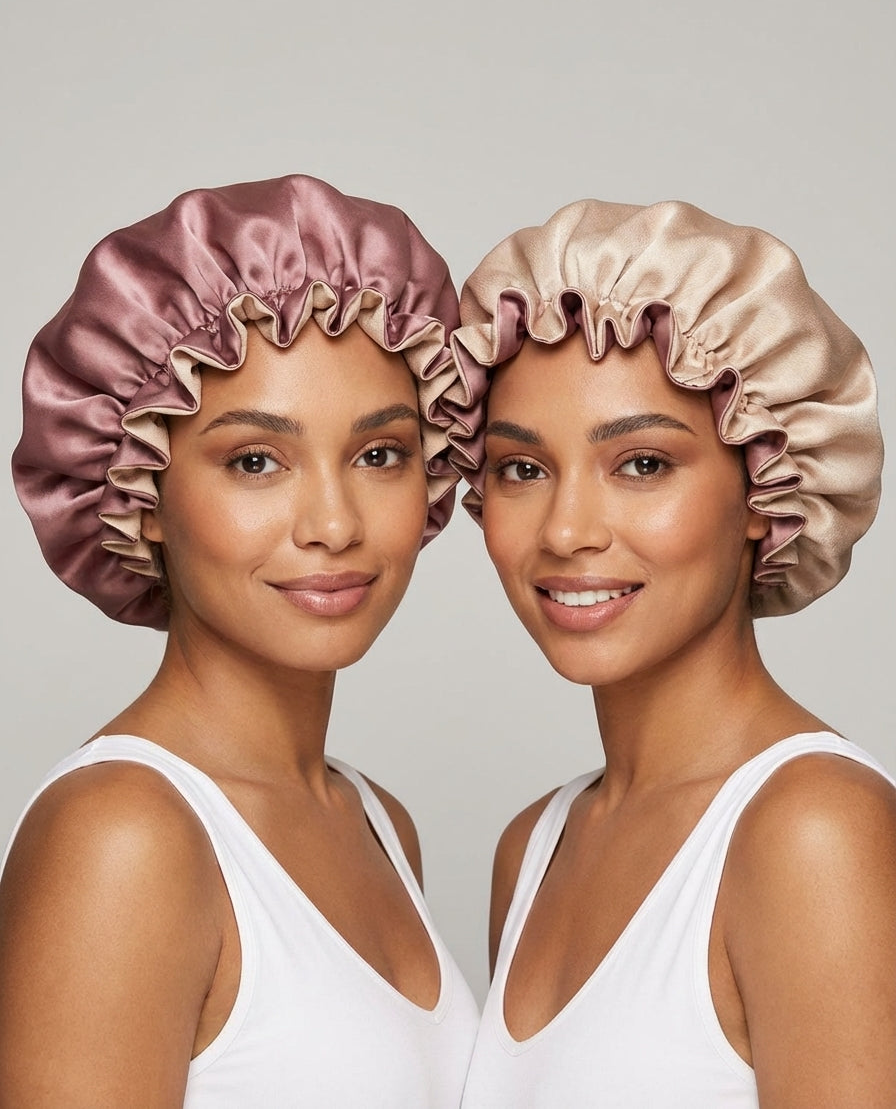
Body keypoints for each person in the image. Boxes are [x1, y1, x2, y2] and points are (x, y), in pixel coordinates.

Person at [2, 175, 480, 1107]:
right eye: (256, 460)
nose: (334, 523)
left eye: (379, 453)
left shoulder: (377, 823)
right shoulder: (124, 837)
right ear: (141, 491)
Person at [452, 199, 896, 1107]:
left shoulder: (814, 830)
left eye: (642, 463)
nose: (568, 530)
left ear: (764, 490)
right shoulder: (534, 850)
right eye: (522, 469)